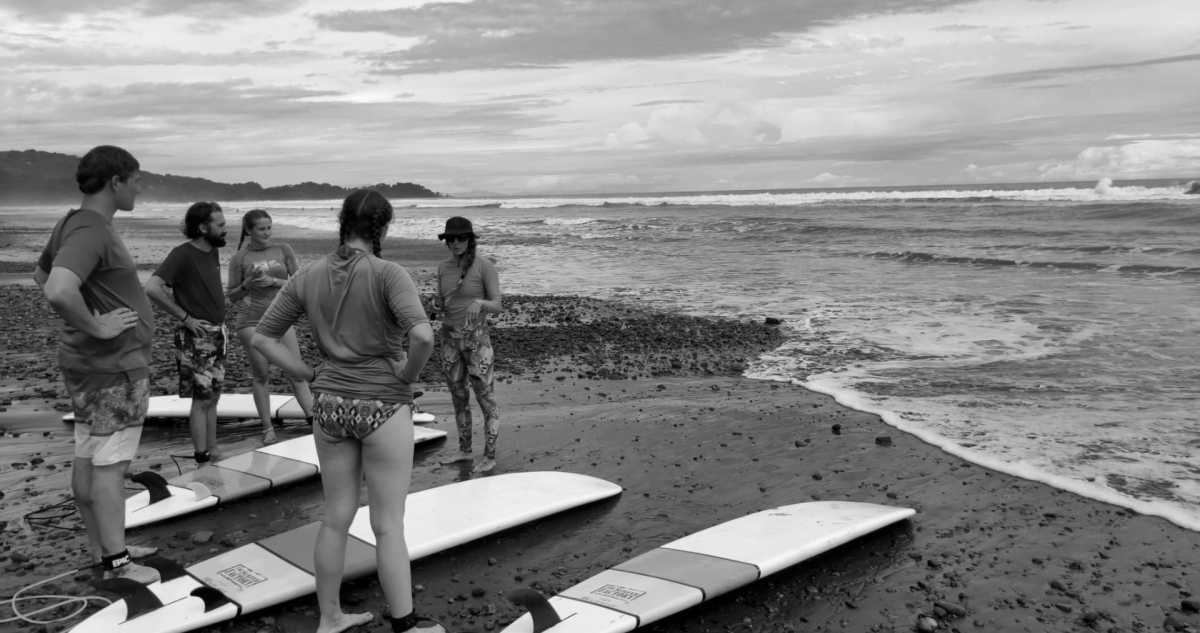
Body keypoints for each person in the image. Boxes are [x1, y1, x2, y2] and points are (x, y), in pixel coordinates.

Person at [251, 189, 441, 633]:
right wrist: (407, 376)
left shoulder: (309, 275)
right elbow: (423, 337)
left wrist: (304, 372)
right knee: (387, 524)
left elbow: (262, 337)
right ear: (383, 228)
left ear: (342, 223)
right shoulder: (388, 273)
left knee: (336, 517)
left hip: (329, 406)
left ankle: (330, 617)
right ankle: (406, 625)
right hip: (382, 406)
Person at [33, 145, 160, 584]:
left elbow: (42, 275)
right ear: (115, 181)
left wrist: (85, 319)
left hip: (91, 366)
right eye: (136, 180)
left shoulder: (72, 222)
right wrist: (97, 325)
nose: (140, 188)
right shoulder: (92, 229)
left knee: (89, 456)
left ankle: (103, 549)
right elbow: (57, 288)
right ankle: (118, 564)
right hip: (113, 369)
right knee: (110, 466)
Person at [145, 201, 228, 464]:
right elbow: (152, 288)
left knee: (213, 397)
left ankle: (213, 449)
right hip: (197, 338)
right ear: (203, 228)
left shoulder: (212, 251)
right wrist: (186, 318)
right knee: (201, 399)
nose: (225, 229)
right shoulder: (182, 254)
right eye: (220, 225)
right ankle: (201, 455)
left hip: (218, 334)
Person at [226, 209, 313, 444]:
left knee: (296, 371)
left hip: (281, 318)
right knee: (261, 375)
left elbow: (300, 283)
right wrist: (247, 284)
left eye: (269, 228)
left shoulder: (283, 250)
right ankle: (267, 428)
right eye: (261, 229)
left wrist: (273, 281)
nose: (266, 233)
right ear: (249, 231)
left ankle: (314, 420)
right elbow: (231, 296)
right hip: (251, 321)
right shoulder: (239, 258)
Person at [434, 216, 503, 474]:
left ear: (470, 240)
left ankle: (490, 456)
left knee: (486, 399)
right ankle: (464, 451)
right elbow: (443, 303)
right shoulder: (443, 268)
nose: (455, 243)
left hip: (477, 343)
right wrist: (436, 307)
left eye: (461, 238)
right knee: (459, 397)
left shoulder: (484, 266)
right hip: (449, 340)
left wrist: (480, 303)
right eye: (450, 239)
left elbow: (497, 305)